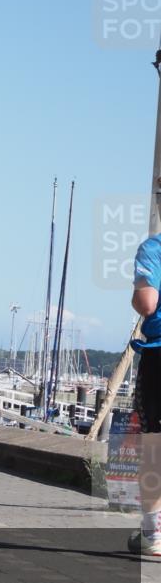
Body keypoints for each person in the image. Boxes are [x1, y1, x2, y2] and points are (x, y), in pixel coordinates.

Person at [128, 232, 161, 555]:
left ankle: (153, 534)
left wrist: (136, 294)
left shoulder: (154, 248)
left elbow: (148, 304)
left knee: (155, 446)